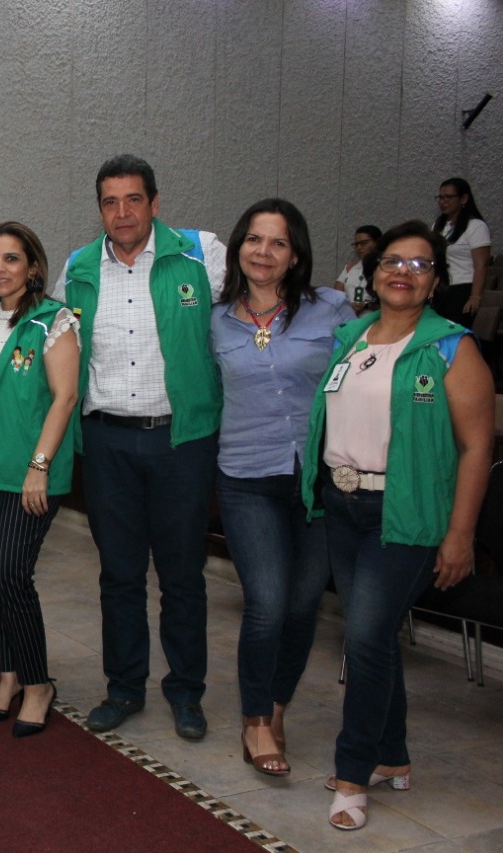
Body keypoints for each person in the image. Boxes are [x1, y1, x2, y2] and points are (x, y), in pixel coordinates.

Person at [301, 220, 494, 831]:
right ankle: (394, 756)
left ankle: (354, 771)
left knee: (362, 638)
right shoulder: (352, 337)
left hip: (403, 516)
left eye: (418, 265)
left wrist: (460, 534)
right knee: (374, 637)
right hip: (343, 507)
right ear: (373, 270)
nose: (402, 273)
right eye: (392, 262)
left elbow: (475, 448)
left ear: (436, 278)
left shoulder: (452, 347)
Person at [49, 154, 226, 739]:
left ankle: (185, 691)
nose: (121, 212)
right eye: (109, 201)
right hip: (108, 443)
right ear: (98, 208)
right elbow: (59, 357)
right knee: (119, 575)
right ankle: (124, 687)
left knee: (182, 575)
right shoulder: (76, 269)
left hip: (180, 441)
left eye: (132, 200)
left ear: (154, 202)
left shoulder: (201, 256)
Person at [211, 199, 353, 775]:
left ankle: (276, 705)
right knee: (266, 603)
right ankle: (252, 720)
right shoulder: (215, 320)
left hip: (322, 481)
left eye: (277, 243)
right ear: (238, 246)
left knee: (301, 608)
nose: (263, 252)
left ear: (296, 255)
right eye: (253, 239)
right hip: (246, 478)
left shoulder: (333, 310)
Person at [0, 222, 78, 736]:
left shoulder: (54, 320)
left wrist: (40, 467)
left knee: (12, 571)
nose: (0, 269)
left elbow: (65, 396)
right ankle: (8, 674)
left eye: (12, 258)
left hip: (29, 460)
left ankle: (38, 683)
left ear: (33, 266)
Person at [432, 178, 492, 327]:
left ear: (463, 198)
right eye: (440, 197)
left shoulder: (476, 226)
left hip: (462, 288)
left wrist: (475, 296)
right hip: (441, 288)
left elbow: (481, 265)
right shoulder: (438, 226)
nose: (443, 201)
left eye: (448, 197)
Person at [333, 225, 380, 315]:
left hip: (374, 320)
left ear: (377, 242)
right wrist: (349, 305)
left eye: (364, 243)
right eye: (356, 244)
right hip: (349, 321)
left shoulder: (386, 268)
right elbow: (336, 295)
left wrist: (366, 305)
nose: (359, 247)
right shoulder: (351, 267)